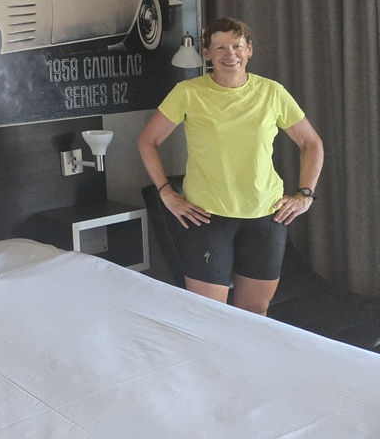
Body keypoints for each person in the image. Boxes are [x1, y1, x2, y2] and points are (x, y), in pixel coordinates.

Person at [137, 17, 324, 315]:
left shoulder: (272, 92)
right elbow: (148, 141)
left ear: (249, 50)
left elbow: (310, 143)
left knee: (255, 313)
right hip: (207, 218)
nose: (230, 54)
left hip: (266, 216)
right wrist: (166, 193)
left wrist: (305, 194)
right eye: (220, 48)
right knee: (209, 315)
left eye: (237, 46)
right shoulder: (188, 92)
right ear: (207, 54)